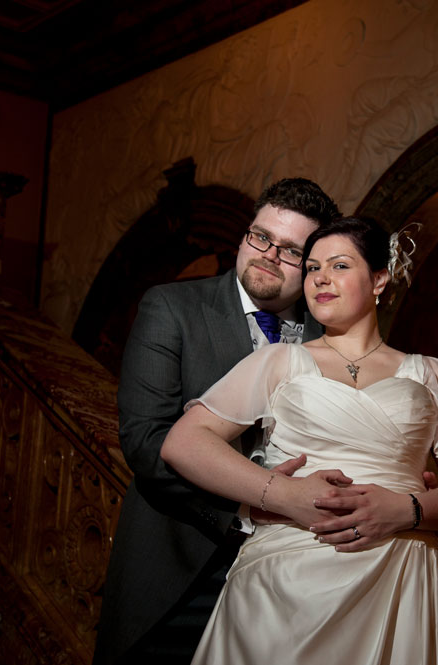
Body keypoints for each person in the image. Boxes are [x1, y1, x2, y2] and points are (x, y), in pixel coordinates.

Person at [160, 216, 438, 664]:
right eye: (313, 267)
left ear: (379, 279)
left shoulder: (429, 372)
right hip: (287, 580)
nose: (320, 278)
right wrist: (284, 494)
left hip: (404, 576)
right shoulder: (279, 361)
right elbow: (184, 443)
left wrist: (408, 509)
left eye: (338, 266)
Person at [94, 178, 341, 665]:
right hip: (183, 569)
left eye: (290, 250)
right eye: (260, 236)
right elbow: (147, 443)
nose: (269, 254)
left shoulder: (333, 334)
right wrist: (257, 502)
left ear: (314, 267)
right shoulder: (172, 307)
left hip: (299, 576)